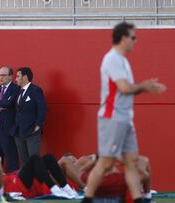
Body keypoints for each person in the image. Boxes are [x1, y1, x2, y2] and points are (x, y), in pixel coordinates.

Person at [82, 22, 166, 203]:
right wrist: (145, 86)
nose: (135, 41)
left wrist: (143, 86)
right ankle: (87, 198)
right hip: (112, 118)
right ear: (123, 38)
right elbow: (124, 88)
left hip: (125, 118)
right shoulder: (112, 59)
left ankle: (138, 199)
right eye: (133, 37)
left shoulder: (123, 60)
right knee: (105, 163)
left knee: (132, 162)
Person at [11, 67, 47, 165]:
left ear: (25, 77)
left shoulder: (35, 90)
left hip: (31, 130)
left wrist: (38, 125)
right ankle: (25, 180)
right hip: (18, 131)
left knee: (34, 159)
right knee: (23, 160)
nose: (16, 79)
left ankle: (36, 179)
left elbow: (42, 109)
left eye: (18, 76)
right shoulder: (18, 91)